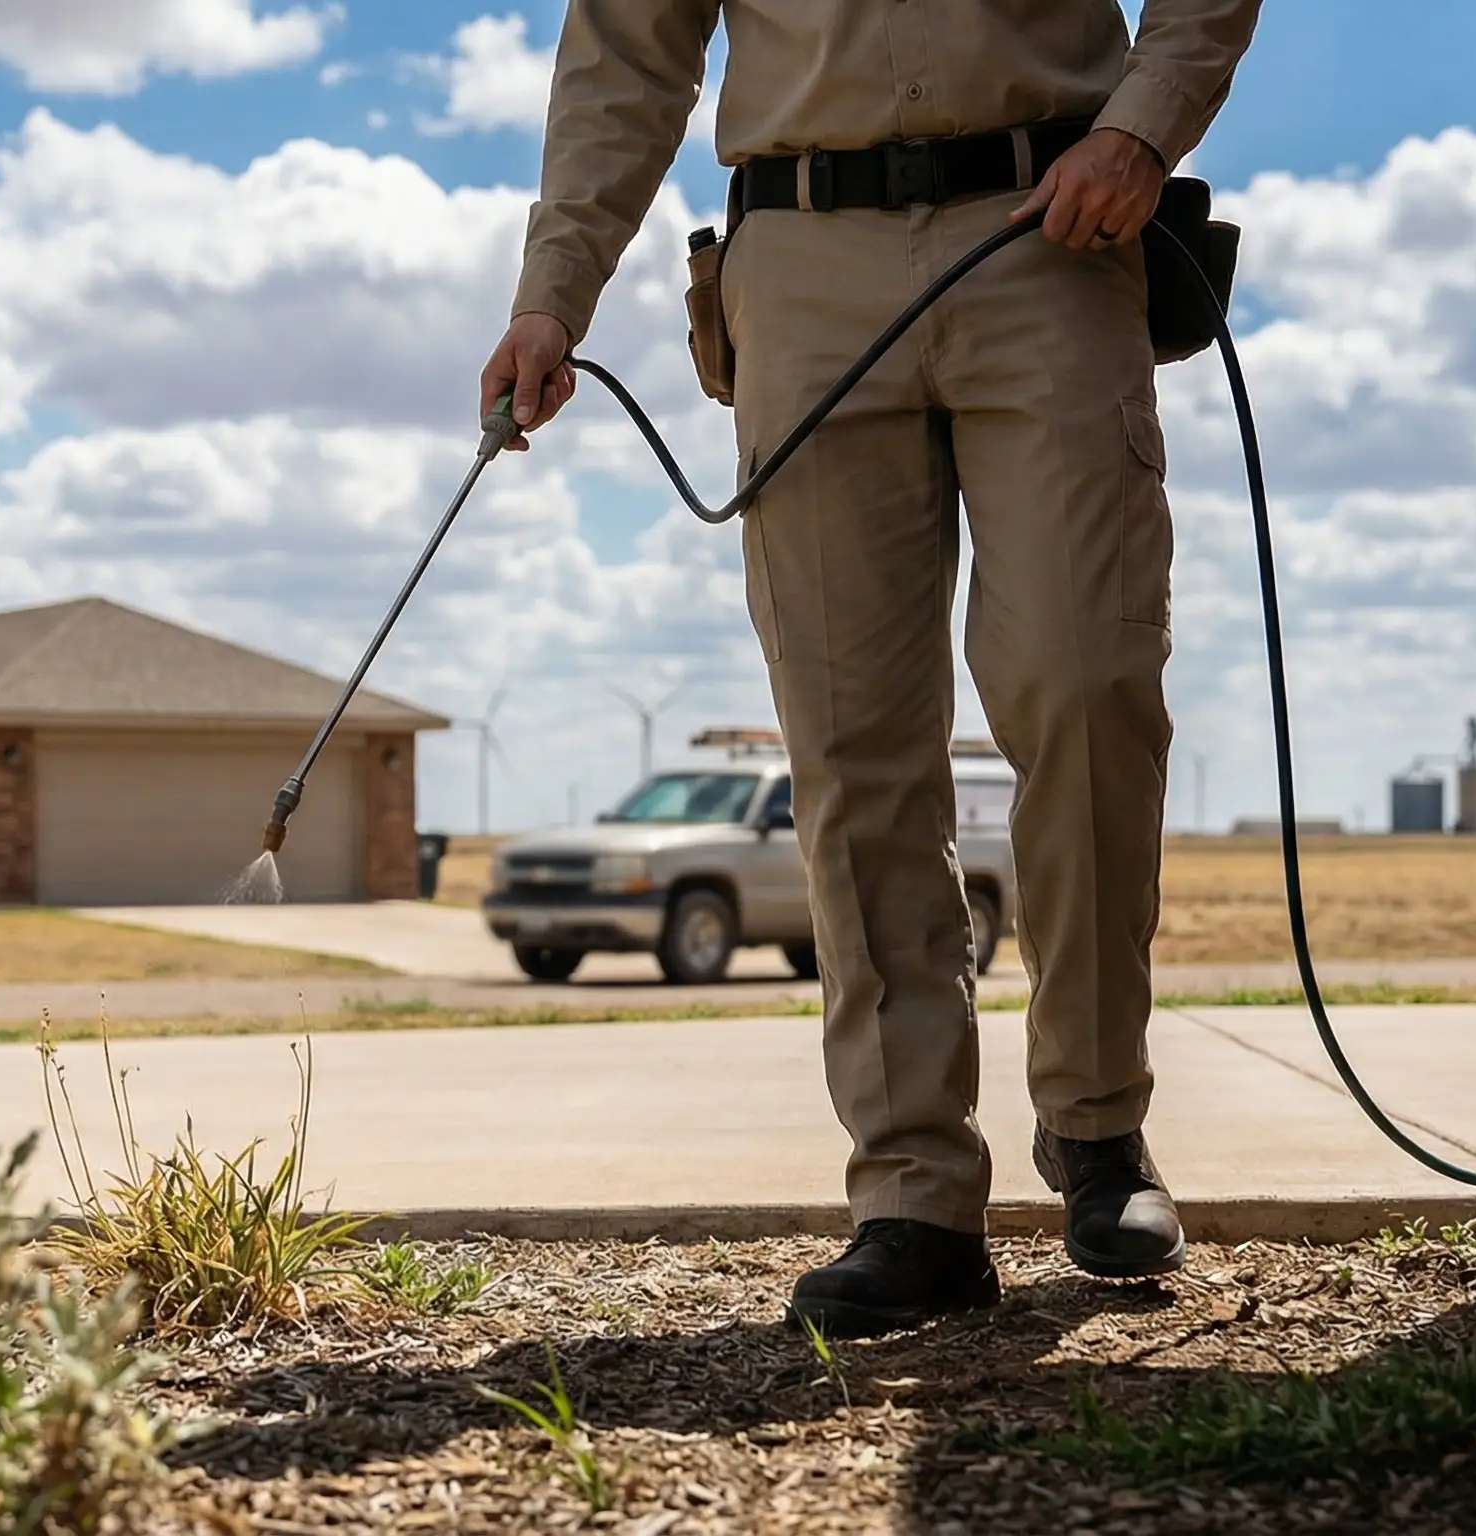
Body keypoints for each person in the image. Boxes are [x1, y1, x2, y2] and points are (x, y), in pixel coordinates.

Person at [483, 0, 1261, 1338]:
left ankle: (1095, 1131)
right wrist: (555, 293)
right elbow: (625, 55)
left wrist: (1141, 127)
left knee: (1084, 679)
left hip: (1052, 234)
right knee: (850, 746)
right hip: (798, 266)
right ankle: (912, 1197)